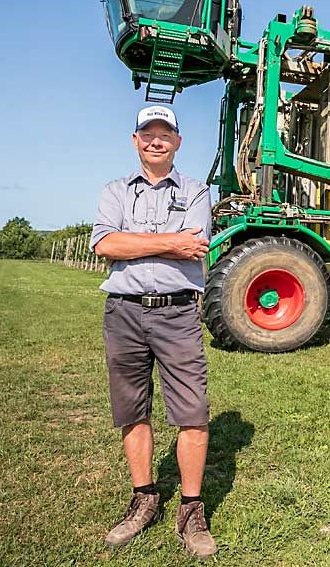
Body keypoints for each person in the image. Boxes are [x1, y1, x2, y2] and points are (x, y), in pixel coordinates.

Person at [90, 105, 217, 559]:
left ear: (178, 142)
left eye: (165, 134)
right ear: (135, 139)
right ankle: (144, 498)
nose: (156, 140)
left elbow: (195, 244)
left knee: (193, 412)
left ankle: (191, 510)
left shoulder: (198, 190)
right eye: (148, 133)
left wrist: (135, 242)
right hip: (123, 312)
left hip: (178, 313)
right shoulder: (113, 191)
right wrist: (169, 242)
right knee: (131, 409)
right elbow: (106, 244)